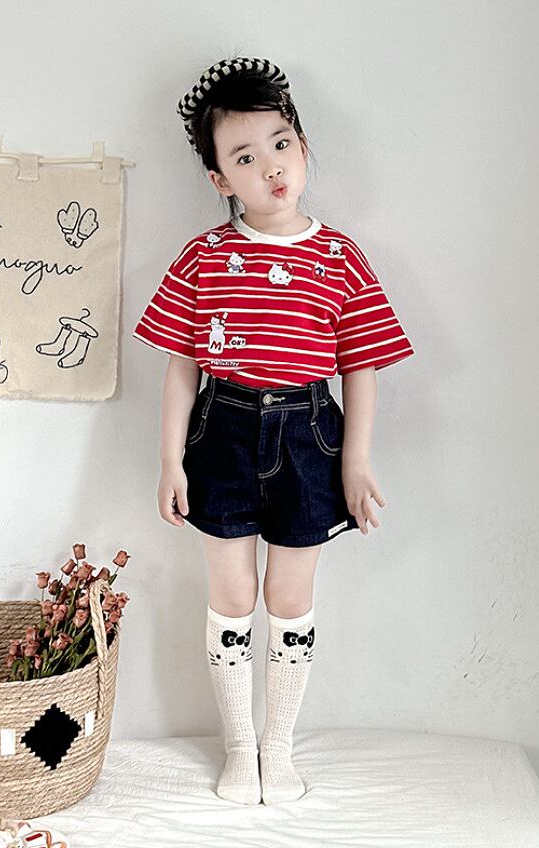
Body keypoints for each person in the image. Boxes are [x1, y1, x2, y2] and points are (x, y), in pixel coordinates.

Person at [132, 56, 415, 806]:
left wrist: (354, 461)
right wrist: (169, 461)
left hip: (309, 434)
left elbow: (360, 366)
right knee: (231, 592)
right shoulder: (203, 257)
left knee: (289, 596)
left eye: (281, 144)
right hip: (220, 431)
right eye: (245, 158)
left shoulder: (338, 257)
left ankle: (277, 747)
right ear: (221, 179)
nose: (271, 168)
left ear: (304, 145)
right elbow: (180, 367)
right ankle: (238, 747)